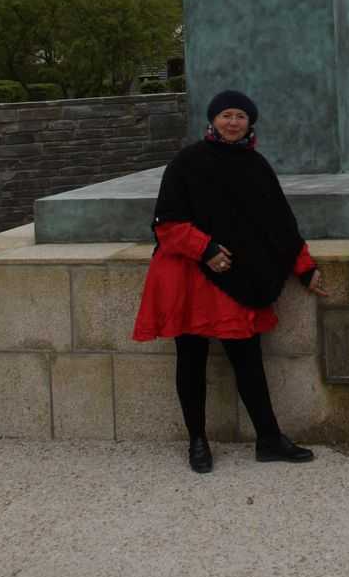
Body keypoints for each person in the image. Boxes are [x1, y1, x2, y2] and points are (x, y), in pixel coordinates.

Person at [132, 87, 328, 473]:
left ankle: (268, 439)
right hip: (192, 277)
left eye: (240, 116)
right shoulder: (187, 162)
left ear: (249, 122)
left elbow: (280, 225)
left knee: (248, 360)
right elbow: (166, 222)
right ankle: (197, 441)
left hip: (238, 278)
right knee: (191, 360)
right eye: (226, 115)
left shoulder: (257, 167)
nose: (233, 122)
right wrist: (205, 249)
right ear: (213, 120)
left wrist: (305, 267)